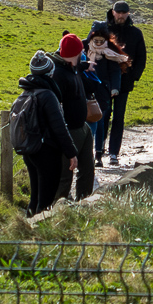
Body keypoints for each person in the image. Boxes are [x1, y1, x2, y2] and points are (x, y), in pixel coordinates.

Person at [12, 51, 77, 214]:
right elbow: (59, 127)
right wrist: (71, 153)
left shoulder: (26, 92)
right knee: (46, 198)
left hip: (30, 151)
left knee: (35, 197)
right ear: (50, 73)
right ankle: (40, 234)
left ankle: (26, 227)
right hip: (46, 152)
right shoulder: (48, 95)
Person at [91, 1, 147, 165]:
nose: (121, 15)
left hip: (125, 83)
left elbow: (141, 57)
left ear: (128, 13)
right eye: (118, 12)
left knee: (119, 117)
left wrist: (133, 76)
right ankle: (98, 151)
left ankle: (114, 152)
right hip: (104, 81)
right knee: (103, 116)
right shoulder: (103, 30)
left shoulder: (136, 33)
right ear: (113, 12)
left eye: (124, 12)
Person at [59, 34, 101, 200]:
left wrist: (85, 65)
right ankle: (58, 208)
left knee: (87, 168)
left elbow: (76, 68)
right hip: (69, 129)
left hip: (82, 127)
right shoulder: (60, 74)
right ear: (76, 52)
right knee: (66, 172)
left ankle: (83, 202)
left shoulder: (72, 67)